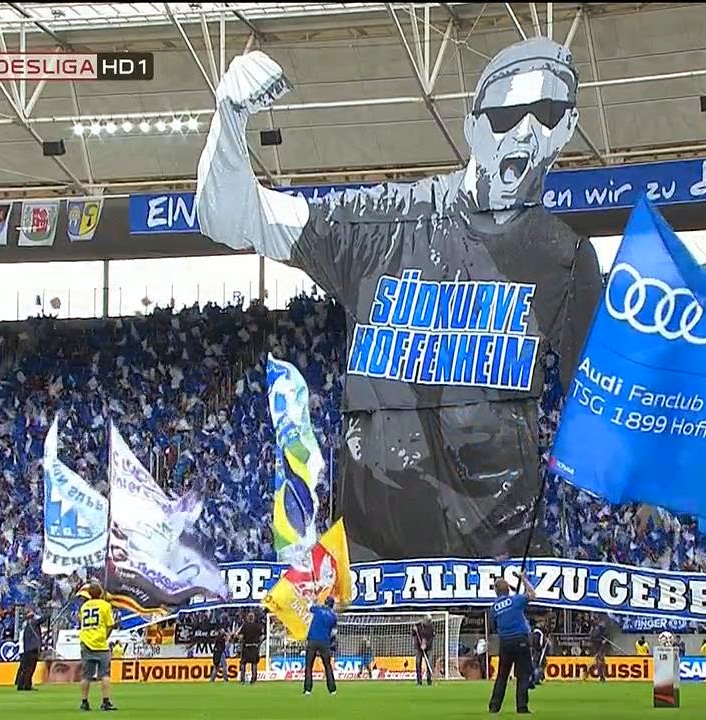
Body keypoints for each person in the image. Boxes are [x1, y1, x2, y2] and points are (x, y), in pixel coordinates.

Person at [196, 37, 601, 563]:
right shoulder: (381, 225)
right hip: (376, 563)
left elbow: (601, 402)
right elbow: (229, 216)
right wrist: (229, 116)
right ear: (473, 128)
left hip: (498, 565)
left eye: (546, 114)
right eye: (506, 116)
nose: (525, 130)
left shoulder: (565, 258)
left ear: (567, 128)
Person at [488, 576, 536, 714]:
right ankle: (522, 706)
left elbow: (493, 626)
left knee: (502, 676)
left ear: (496, 591)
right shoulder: (516, 600)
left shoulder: (494, 608)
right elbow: (532, 594)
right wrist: (523, 578)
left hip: (505, 642)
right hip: (520, 639)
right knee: (522, 675)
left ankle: (494, 706)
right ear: (508, 589)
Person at [78, 582, 117, 712]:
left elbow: (80, 621)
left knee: (86, 676)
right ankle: (105, 701)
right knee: (105, 674)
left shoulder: (84, 606)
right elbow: (110, 625)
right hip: (100, 643)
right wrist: (105, 636)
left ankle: (84, 702)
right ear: (100, 593)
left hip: (86, 642)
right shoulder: (105, 605)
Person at [304, 597, 338, 696]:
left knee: (309, 666)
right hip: (324, 641)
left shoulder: (318, 609)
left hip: (313, 640)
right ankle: (332, 689)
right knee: (327, 666)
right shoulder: (333, 616)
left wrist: (313, 600)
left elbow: (309, 607)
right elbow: (334, 632)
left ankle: (308, 689)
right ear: (332, 605)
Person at [15, 608, 41, 691]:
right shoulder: (32, 622)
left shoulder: (25, 624)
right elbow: (43, 618)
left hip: (25, 648)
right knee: (30, 668)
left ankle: (21, 684)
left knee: (24, 668)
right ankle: (26, 685)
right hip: (31, 649)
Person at [238, 611, 263, 684]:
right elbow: (262, 637)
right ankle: (253, 679)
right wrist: (258, 643)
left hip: (246, 646)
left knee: (243, 663)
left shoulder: (245, 626)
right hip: (254, 647)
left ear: (248, 618)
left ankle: (242, 679)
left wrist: (241, 640)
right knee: (254, 663)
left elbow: (241, 637)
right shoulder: (258, 626)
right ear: (254, 618)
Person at [413, 614, 436, 686]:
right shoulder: (418, 626)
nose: (429, 622)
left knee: (429, 663)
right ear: (424, 620)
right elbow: (413, 634)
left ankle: (429, 680)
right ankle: (419, 681)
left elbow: (431, 639)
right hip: (418, 647)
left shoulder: (431, 627)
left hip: (428, 648)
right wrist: (414, 630)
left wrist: (426, 645)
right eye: (428, 620)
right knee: (418, 663)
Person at [588, 619, 609, 683]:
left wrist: (604, 640)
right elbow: (592, 638)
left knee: (601, 662)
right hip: (597, 647)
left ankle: (603, 675)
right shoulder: (593, 630)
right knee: (599, 662)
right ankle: (602, 676)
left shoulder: (600, 628)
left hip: (601, 647)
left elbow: (606, 636)